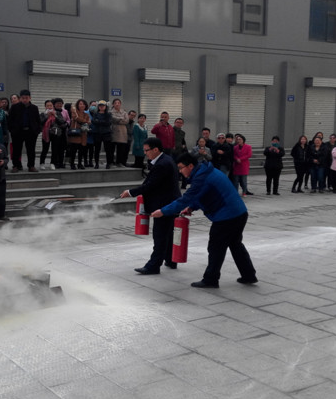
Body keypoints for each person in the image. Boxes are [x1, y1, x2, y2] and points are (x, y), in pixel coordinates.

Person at [152, 153, 259, 289]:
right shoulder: (206, 172)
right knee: (236, 245)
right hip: (239, 213)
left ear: (190, 166)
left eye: (181, 168)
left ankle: (211, 279)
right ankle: (249, 275)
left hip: (227, 216)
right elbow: (203, 195)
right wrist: (192, 207)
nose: (180, 171)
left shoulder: (202, 178)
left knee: (215, 247)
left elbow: (185, 199)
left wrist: (163, 211)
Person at [119, 137, 181, 275]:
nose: (145, 153)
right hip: (170, 202)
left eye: (147, 150)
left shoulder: (162, 164)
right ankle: (171, 260)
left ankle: (153, 265)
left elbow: (149, 186)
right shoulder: (165, 159)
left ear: (155, 149)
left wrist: (130, 192)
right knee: (168, 234)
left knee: (160, 236)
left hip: (164, 204)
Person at [8, 89, 42, 172]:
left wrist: (37, 130)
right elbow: (10, 120)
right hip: (18, 132)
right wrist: (12, 130)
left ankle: (31, 166)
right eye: (23, 98)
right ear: (20, 98)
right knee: (16, 149)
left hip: (31, 132)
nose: (25, 100)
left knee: (31, 150)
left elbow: (38, 120)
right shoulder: (14, 107)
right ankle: (15, 165)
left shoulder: (34, 108)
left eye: (26, 98)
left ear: (30, 98)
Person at [67, 99, 90, 170]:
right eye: (80, 104)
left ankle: (80, 163)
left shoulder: (86, 114)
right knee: (73, 150)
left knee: (82, 150)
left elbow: (88, 122)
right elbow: (75, 117)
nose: (82, 105)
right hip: (75, 132)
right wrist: (84, 121)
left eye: (83, 104)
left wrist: (82, 120)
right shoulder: (75, 112)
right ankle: (72, 164)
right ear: (78, 105)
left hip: (83, 133)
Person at [91, 100, 113, 169]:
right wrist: (103, 122)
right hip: (97, 133)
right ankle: (96, 164)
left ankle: (108, 164)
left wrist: (99, 121)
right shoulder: (95, 114)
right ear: (98, 107)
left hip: (106, 133)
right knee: (97, 150)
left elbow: (108, 123)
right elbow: (93, 122)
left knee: (108, 150)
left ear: (105, 107)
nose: (101, 107)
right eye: (100, 106)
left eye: (103, 106)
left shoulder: (108, 114)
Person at [49, 98, 69, 169]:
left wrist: (66, 124)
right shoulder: (52, 111)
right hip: (55, 132)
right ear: (54, 104)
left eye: (60, 103)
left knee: (62, 148)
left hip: (63, 132)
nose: (59, 105)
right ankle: (54, 162)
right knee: (55, 148)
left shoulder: (65, 111)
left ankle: (61, 163)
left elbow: (68, 120)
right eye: (57, 103)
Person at [110, 98, 129, 167]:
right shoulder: (110, 112)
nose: (117, 104)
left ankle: (119, 162)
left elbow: (126, 121)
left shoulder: (124, 112)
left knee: (121, 149)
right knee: (111, 148)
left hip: (122, 132)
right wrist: (121, 119)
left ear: (120, 104)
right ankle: (111, 162)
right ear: (113, 104)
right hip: (114, 131)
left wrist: (118, 120)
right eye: (115, 103)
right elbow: (112, 119)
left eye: (118, 103)